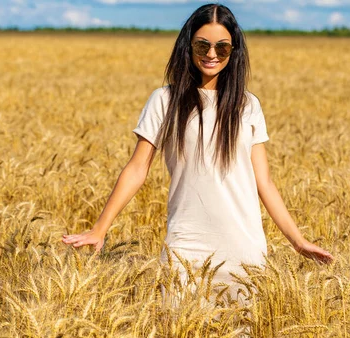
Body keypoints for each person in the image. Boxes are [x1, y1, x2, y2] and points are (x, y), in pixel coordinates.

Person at [62, 3, 333, 295]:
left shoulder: (248, 105)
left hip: (244, 249)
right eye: (202, 45)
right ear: (188, 46)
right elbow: (137, 168)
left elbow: (263, 182)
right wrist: (100, 229)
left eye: (222, 48)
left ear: (234, 51)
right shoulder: (165, 100)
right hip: (185, 246)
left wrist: (298, 241)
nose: (212, 55)